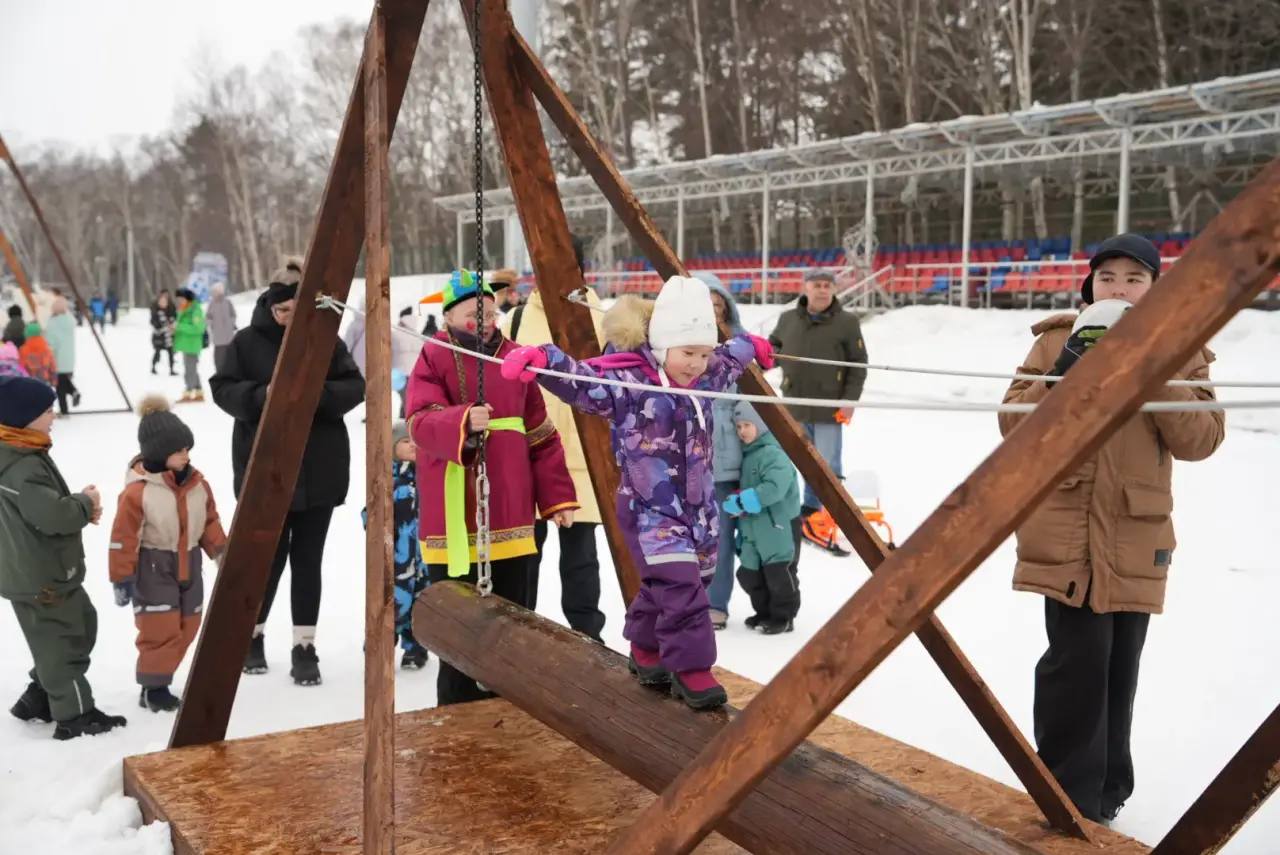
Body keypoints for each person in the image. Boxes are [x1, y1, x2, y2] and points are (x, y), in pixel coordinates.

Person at [999, 233, 1225, 824]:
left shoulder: (1183, 346)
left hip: (1135, 529)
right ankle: (1066, 793)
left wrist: (1156, 370)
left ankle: (1108, 789)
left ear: (1155, 288)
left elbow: (1201, 438)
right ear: (1089, 285)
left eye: (1134, 278)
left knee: (1120, 665)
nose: (1119, 288)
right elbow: (1012, 426)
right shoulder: (1054, 340)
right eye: (1108, 277)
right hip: (1065, 529)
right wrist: (1069, 365)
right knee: (1074, 661)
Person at [502, 276, 773, 710]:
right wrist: (542, 359)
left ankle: (646, 648)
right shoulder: (629, 383)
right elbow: (581, 379)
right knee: (681, 585)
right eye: (688, 354)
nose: (696, 364)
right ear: (663, 346)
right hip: (651, 510)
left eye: (702, 353)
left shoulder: (708, 373)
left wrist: (752, 346)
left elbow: (730, 357)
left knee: (683, 582)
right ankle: (693, 669)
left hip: (700, 509)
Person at [406, 269, 578, 705]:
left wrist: (556, 497)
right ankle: (455, 703)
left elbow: (541, 435)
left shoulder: (516, 357)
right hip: (454, 512)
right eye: (471, 312)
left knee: (513, 617)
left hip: (512, 509)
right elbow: (419, 421)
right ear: (449, 316)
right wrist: (462, 420)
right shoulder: (433, 355)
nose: (482, 320)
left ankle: (509, 702)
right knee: (458, 623)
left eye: (488, 311)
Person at [211, 257, 365, 686]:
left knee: (308, 561)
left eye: (297, 312)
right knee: (266, 560)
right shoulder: (245, 343)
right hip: (266, 473)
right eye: (282, 311)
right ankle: (253, 636)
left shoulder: (325, 341)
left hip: (320, 469)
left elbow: (355, 386)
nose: (289, 319)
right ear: (269, 306)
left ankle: (304, 645)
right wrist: (263, 397)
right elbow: (222, 389)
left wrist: (315, 395)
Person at [0, 375, 127, 739]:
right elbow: (53, 515)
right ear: (24, 418)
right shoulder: (19, 466)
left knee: (79, 626)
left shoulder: (22, 451)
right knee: (62, 644)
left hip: (39, 571)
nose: (53, 415)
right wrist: (83, 504)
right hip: (40, 577)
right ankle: (75, 715)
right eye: (46, 409)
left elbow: (41, 508)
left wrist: (76, 507)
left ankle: (38, 697)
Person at [502, 239, 607, 642]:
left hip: (583, 455)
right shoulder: (514, 320)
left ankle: (587, 635)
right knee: (525, 553)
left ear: (581, 271)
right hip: (529, 452)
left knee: (581, 557)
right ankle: (520, 635)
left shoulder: (603, 320)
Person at [108, 396, 226, 712]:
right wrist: (122, 578)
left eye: (188, 449)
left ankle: (159, 675)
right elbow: (123, 538)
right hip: (153, 566)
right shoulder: (138, 492)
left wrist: (221, 551)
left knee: (189, 623)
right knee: (159, 629)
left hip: (190, 562)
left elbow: (209, 521)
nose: (186, 456)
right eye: (179, 451)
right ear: (159, 454)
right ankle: (154, 688)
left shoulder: (198, 485)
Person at [768, 269, 866, 555]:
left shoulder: (847, 322)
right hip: (795, 406)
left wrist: (849, 401)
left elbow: (858, 365)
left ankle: (832, 517)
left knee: (829, 467)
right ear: (806, 288)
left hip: (829, 409)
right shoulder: (788, 319)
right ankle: (808, 510)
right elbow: (773, 350)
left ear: (834, 290)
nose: (822, 290)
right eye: (817, 285)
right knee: (800, 461)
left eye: (827, 286)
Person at [724, 403, 801, 634]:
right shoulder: (748, 455)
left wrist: (743, 500)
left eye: (747, 425)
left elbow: (775, 487)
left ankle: (783, 617)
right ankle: (764, 612)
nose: (742, 431)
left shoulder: (773, 453)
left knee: (778, 573)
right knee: (749, 574)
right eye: (738, 426)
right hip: (755, 528)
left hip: (778, 526)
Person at [362, 421, 429, 669]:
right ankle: (380, 643)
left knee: (421, 602)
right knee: (392, 601)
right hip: (395, 558)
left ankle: (415, 647)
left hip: (422, 558)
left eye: (416, 441)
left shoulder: (426, 476)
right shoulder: (386, 478)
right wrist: (373, 524)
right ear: (392, 447)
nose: (412, 445)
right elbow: (369, 511)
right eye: (405, 441)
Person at [703, 273, 745, 631]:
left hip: (727, 463)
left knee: (723, 535)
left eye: (719, 306)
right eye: (706, 306)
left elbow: (753, 403)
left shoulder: (739, 350)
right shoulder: (678, 350)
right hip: (687, 461)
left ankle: (716, 602)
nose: (713, 313)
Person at [45, 297, 79, 416]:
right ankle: (74, 392)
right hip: (69, 359)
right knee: (63, 382)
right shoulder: (70, 321)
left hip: (57, 359)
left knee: (60, 386)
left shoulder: (53, 323)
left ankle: (64, 411)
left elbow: (51, 343)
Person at [173, 288, 207, 402]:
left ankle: (188, 392)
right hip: (186, 345)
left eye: (181, 299)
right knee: (192, 369)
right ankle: (198, 392)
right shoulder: (184, 309)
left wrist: (179, 327)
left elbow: (199, 328)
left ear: (187, 298)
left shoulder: (195, 310)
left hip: (192, 345)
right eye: (178, 299)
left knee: (189, 370)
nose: (179, 301)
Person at [392, 307, 422, 418]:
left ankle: (406, 418)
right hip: (414, 371)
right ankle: (404, 416)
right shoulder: (417, 335)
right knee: (408, 396)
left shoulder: (395, 334)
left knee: (405, 397)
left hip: (399, 371)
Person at [206, 282, 238, 373]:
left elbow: (233, 314)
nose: (218, 293)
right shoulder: (211, 304)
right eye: (216, 291)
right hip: (218, 337)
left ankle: (231, 372)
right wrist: (211, 324)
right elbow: (208, 317)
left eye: (219, 290)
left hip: (228, 335)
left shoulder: (227, 302)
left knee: (230, 356)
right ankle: (220, 373)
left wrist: (231, 323)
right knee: (219, 358)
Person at [19, 323, 57, 388]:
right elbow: (52, 366)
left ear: (27, 334)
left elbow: (21, 368)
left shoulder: (24, 349)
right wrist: (54, 381)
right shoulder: (46, 349)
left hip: (29, 382)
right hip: (45, 381)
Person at [151, 291, 177, 376]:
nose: (163, 303)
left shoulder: (170, 311)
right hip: (159, 337)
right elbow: (154, 324)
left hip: (168, 337)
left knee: (171, 352)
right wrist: (165, 327)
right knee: (157, 352)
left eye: (165, 302)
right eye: (161, 302)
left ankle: (172, 369)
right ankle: (153, 367)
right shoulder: (156, 312)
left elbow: (174, 321)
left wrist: (172, 326)